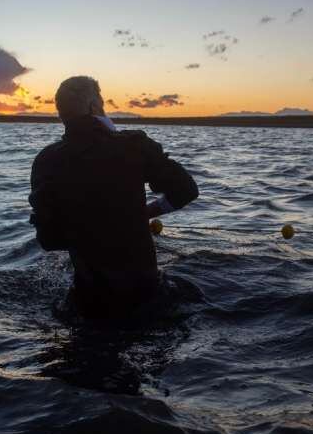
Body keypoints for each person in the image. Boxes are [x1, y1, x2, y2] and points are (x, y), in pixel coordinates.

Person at [29, 76, 198, 319]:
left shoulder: (46, 161)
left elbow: (50, 240)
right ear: (94, 107)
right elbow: (186, 190)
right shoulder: (133, 146)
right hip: (146, 297)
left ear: (61, 113)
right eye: (101, 101)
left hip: (87, 302)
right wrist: (147, 212)